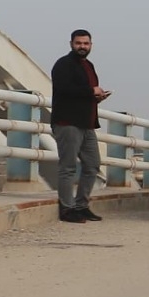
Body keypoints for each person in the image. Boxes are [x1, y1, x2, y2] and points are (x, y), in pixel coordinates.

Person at [49, 28, 109, 223]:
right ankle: (67, 209)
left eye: (86, 43)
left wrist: (97, 97)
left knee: (92, 165)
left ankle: (81, 205)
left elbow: (84, 93)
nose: (82, 47)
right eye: (78, 43)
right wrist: (91, 91)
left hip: (87, 124)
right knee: (68, 167)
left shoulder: (88, 65)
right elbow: (64, 89)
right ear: (71, 44)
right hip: (68, 123)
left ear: (91, 45)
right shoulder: (63, 64)